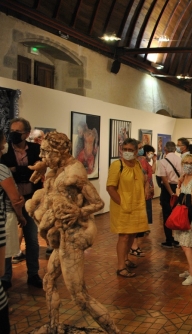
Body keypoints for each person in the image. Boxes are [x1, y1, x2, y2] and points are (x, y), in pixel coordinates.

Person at [25, 132, 119, 333]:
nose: (43, 157)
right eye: (42, 152)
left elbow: (98, 203)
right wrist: (45, 166)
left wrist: (79, 211)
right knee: (49, 280)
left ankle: (113, 331)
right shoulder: (58, 167)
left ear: (61, 151)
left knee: (79, 295)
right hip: (61, 235)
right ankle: (53, 326)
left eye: (47, 153)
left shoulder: (74, 174)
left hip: (72, 236)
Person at [1, 117, 43, 288]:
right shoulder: (5, 153)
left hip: (31, 200)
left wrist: (17, 170)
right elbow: (6, 174)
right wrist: (27, 170)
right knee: (8, 239)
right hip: (11, 201)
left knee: (32, 239)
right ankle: (6, 277)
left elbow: (42, 168)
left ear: (26, 134)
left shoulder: (36, 149)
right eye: (11, 131)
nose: (13, 135)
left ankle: (33, 274)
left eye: (17, 132)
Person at [106, 138, 149, 278]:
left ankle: (125, 259)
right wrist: (122, 203)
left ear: (136, 151)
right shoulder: (117, 165)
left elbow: (143, 179)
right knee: (124, 236)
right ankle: (120, 267)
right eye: (125, 150)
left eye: (130, 150)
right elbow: (110, 188)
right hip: (123, 208)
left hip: (137, 206)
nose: (127, 152)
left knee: (132, 234)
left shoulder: (137, 164)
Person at [0, 129, 26, 294]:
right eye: (2, 143)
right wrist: (21, 217)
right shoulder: (2, 169)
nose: (4, 146)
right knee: (3, 261)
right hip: (4, 217)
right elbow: (14, 199)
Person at [175, 154, 192, 285]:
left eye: (191, 163)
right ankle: (190, 269)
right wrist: (179, 184)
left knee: (187, 245)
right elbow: (178, 196)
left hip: (190, 215)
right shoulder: (184, 178)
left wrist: (179, 190)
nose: (188, 165)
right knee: (183, 243)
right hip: (182, 213)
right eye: (185, 162)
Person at [129, 143, 156, 257]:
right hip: (138, 194)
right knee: (137, 220)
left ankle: (134, 245)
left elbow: (149, 174)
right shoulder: (137, 162)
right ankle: (133, 246)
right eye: (138, 148)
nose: (140, 150)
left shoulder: (142, 161)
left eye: (140, 148)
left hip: (145, 193)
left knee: (141, 219)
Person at [156, 141, 181, 248]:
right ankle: (178, 239)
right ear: (175, 149)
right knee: (179, 213)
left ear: (165, 150)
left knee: (167, 214)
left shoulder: (162, 161)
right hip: (179, 187)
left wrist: (171, 192)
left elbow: (164, 179)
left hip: (168, 190)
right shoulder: (181, 160)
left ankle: (169, 239)